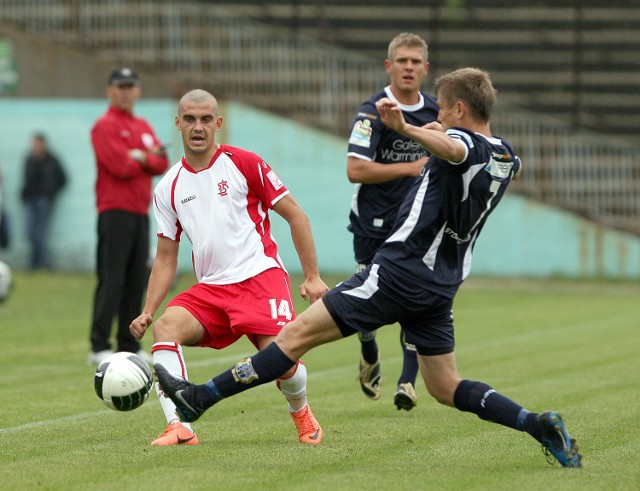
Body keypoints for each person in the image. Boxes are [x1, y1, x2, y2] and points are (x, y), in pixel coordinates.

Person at [153, 68, 583, 468]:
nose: (434, 113)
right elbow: (468, 150)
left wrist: (406, 128)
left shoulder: (461, 145)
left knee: (292, 338)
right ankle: (534, 423)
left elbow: (455, 147)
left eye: (441, 107)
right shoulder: (505, 156)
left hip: (399, 272)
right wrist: (436, 131)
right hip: (442, 284)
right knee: (445, 387)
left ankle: (198, 399)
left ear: (459, 110)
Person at [129, 89, 329, 446]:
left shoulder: (245, 163)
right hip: (213, 289)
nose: (198, 127)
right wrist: (148, 310)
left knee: (282, 361)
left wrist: (312, 276)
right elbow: (165, 257)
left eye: (206, 119)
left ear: (218, 123)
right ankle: (180, 427)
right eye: (189, 119)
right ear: (178, 123)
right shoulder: (168, 186)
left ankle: (300, 409)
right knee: (166, 328)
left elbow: (295, 214)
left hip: (260, 278)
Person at [346, 32, 438, 410]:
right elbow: (355, 169)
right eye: (402, 60)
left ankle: (407, 382)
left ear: (425, 69)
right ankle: (368, 350)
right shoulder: (373, 111)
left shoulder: (436, 113)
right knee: (366, 306)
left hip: (416, 226)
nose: (409, 67)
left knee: (413, 303)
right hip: (372, 223)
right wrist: (410, 168)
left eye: (415, 62)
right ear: (389, 66)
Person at [88, 67, 169, 366]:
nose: (125, 91)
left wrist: (140, 156)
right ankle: (98, 343)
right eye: (119, 86)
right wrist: (144, 158)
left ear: (137, 91)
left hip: (139, 211)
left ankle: (127, 343)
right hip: (113, 210)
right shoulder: (104, 126)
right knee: (112, 278)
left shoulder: (143, 125)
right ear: (110, 90)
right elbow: (119, 166)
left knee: (136, 279)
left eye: (130, 86)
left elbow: (162, 162)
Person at [20, 133, 67, 270]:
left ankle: (36, 264)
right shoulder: (29, 159)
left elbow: (63, 179)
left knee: (40, 233)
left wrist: (51, 193)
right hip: (30, 200)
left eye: (38, 144)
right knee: (30, 232)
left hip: (44, 200)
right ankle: (42, 262)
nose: (35, 147)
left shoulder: (52, 160)